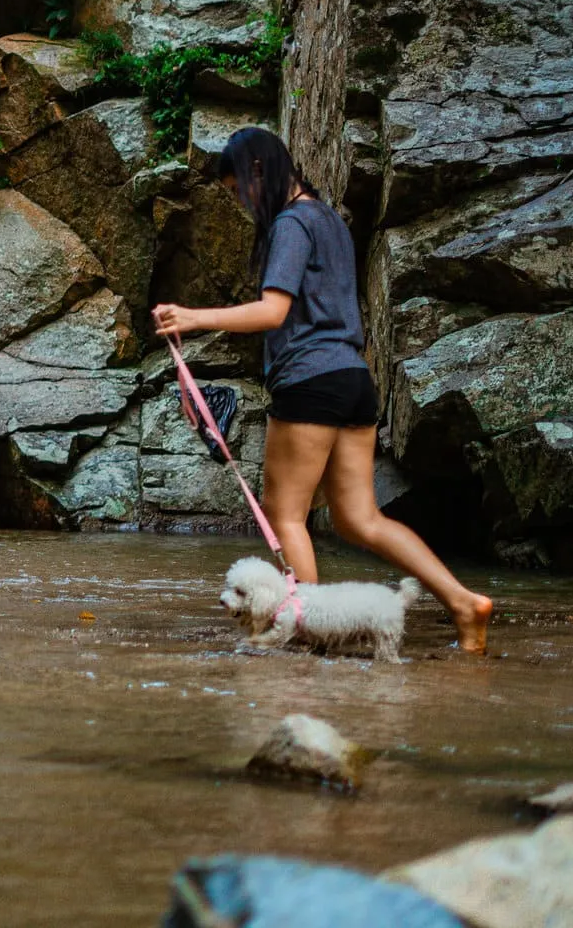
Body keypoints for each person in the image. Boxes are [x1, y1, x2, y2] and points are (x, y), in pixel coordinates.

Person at [151, 127, 494, 654]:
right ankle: (463, 602)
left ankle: (305, 635)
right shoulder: (329, 219)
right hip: (353, 380)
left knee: (286, 513)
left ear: (259, 171)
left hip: (309, 380)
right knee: (362, 519)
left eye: (238, 189)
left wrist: (193, 317)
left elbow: (273, 311)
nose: (241, 202)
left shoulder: (290, 225)